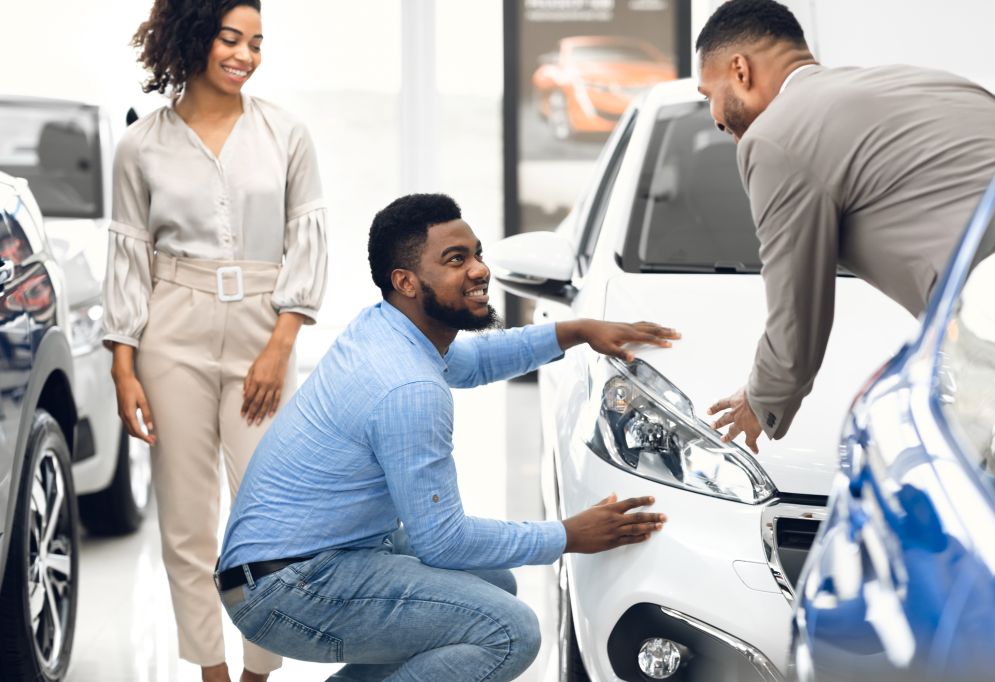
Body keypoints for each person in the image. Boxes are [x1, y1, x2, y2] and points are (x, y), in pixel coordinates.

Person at [216, 193, 676, 681]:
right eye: (456, 260)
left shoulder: (389, 327)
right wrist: (567, 535)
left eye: (476, 254)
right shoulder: (408, 387)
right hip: (287, 587)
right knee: (508, 631)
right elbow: (445, 542)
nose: (479, 270)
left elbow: (476, 361)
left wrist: (577, 330)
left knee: (493, 585)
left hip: (298, 560)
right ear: (406, 281)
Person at [102, 1, 327, 680]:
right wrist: (124, 367)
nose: (245, 55)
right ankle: (211, 671)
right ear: (196, 38)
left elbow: (306, 241)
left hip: (265, 326)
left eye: (256, 42)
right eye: (232, 38)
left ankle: (260, 670)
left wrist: (281, 343)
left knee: (269, 516)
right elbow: (128, 256)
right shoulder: (141, 146)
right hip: (173, 331)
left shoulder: (286, 133)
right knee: (186, 520)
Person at [695, 0, 995, 452]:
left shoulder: (774, 137)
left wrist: (762, 399)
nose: (714, 117)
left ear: (740, 70)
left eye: (708, 93)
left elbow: (797, 307)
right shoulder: (928, 81)